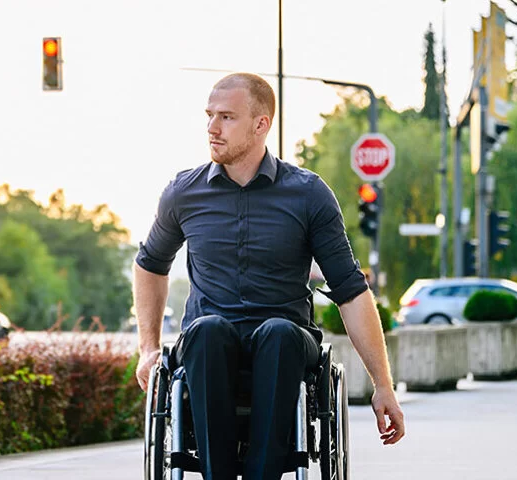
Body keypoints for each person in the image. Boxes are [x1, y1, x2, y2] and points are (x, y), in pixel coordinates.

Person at [133, 72, 404, 480]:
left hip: (286, 342)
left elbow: (350, 290)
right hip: (209, 343)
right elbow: (150, 264)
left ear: (261, 125)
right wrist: (148, 347)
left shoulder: (308, 195)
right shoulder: (183, 193)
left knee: (277, 333)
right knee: (206, 332)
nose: (211, 128)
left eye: (226, 117)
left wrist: (383, 384)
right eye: (209, 116)